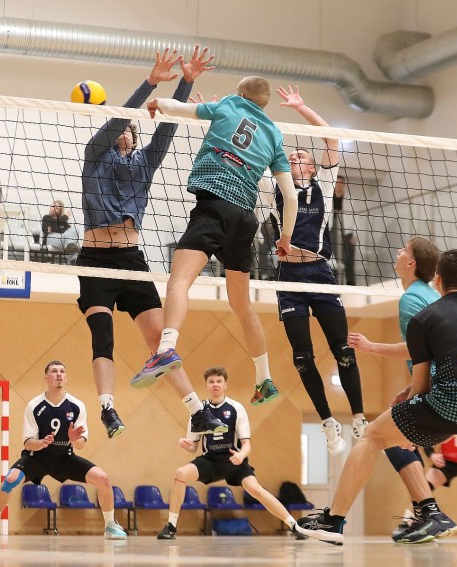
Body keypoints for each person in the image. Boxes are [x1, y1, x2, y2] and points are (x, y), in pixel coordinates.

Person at [298, 249, 457, 546]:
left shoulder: (424, 317)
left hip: (452, 402)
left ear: (438, 281)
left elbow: (421, 385)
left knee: (372, 436)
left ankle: (334, 520)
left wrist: (409, 426)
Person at [76, 46, 227, 440]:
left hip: (131, 260)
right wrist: (150, 82)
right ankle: (107, 408)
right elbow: (119, 119)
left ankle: (196, 412)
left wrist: (186, 81)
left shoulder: (145, 162)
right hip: (95, 260)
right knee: (103, 335)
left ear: (135, 134)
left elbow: (168, 127)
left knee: (161, 343)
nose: (124, 131)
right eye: (120, 127)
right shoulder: (95, 155)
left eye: (130, 128)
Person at [136, 75, 299, 406]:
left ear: (240, 93)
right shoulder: (274, 134)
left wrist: (157, 102)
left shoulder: (229, 104)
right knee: (242, 305)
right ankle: (264, 379)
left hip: (213, 207)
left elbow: (179, 109)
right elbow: (291, 197)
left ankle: (166, 349)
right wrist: (285, 237)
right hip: (245, 219)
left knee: (179, 282)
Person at [259, 85, 364, 454]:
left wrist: (301, 107)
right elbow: (250, 153)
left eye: (301, 155)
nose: (296, 157)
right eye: (291, 156)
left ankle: (359, 416)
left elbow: (330, 138)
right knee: (302, 358)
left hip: (320, 275)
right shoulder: (272, 187)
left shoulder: (324, 184)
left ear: (313, 166)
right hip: (289, 278)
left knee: (343, 351)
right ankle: (327, 422)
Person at [348, 237, 457, 544]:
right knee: (394, 439)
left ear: (411, 263)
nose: (398, 252)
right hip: (449, 385)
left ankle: (430, 513)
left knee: (385, 437)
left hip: (438, 393)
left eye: (404, 250)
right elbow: (437, 351)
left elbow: (417, 350)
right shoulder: (432, 295)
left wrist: (371, 347)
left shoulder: (412, 298)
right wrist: (410, 388)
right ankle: (426, 514)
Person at [156, 366, 326, 541]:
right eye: (211, 382)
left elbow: (246, 445)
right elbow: (193, 446)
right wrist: (186, 444)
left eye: (219, 381)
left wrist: (241, 455)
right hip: (210, 461)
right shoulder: (197, 411)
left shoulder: (236, 408)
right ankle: (171, 526)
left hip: (234, 460)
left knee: (255, 489)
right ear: (206, 386)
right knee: (181, 474)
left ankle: (294, 526)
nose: (215, 384)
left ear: (225, 385)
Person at [0, 360, 127, 540]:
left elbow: (81, 444)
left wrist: (74, 439)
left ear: (66, 377)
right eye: (54, 371)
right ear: (46, 378)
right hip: (36, 458)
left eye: (62, 371)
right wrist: (41, 443)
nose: (59, 374)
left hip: (65, 458)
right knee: (9, 480)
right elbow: (28, 443)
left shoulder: (77, 405)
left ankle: (110, 525)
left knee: (103, 478)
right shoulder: (35, 405)